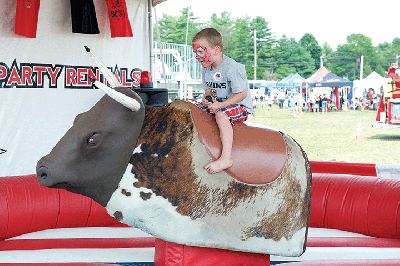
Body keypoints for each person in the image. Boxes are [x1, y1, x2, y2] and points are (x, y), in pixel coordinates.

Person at [190, 28, 253, 174]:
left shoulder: (232, 68)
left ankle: (226, 158)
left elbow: (242, 93)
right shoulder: (206, 68)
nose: (197, 56)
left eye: (201, 51)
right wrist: (207, 100)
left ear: (216, 49)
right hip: (219, 104)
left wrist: (220, 105)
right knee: (193, 107)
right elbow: (208, 91)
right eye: (195, 53)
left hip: (239, 105)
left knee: (221, 115)